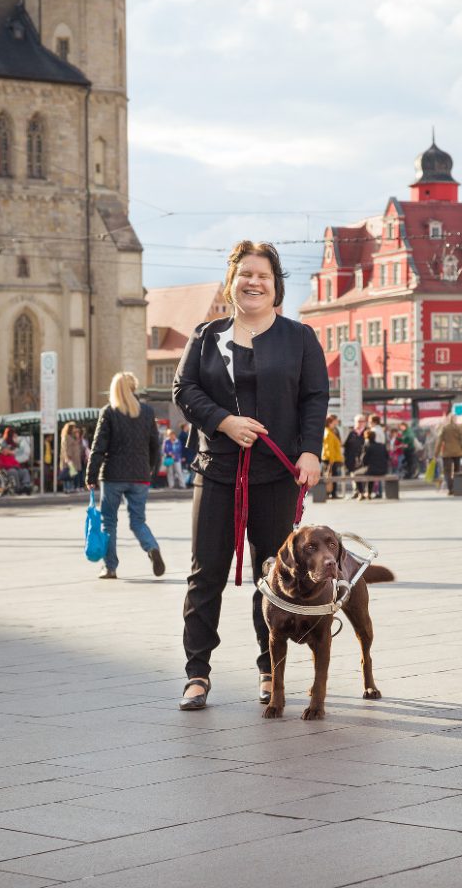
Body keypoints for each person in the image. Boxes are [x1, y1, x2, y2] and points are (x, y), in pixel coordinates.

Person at [173, 239, 328, 711]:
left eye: (262, 275)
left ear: (276, 284)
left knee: (273, 574)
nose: (253, 282)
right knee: (206, 574)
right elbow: (184, 389)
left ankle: (270, 669)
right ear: (231, 282)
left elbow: (315, 398)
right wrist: (224, 421)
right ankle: (197, 673)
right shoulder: (206, 336)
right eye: (245, 274)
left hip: (277, 475)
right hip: (217, 471)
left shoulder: (299, 338)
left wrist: (309, 453)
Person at [85, 371, 164, 580]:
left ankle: (110, 567)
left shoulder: (109, 412)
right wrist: (150, 471)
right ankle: (152, 547)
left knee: (108, 522)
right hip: (140, 475)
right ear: (134, 388)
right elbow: (155, 445)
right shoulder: (146, 412)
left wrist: (91, 476)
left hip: (113, 475)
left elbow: (98, 447)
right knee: (138, 520)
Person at [434, 412, 462, 495]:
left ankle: (451, 489)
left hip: (447, 453)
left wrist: (436, 454)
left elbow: (439, 442)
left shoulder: (444, 428)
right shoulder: (459, 428)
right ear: (455, 419)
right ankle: (457, 488)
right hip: (458, 452)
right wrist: (461, 448)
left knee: (447, 472)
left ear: (448, 419)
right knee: (457, 471)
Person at [356, 428, 388, 498]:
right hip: (383, 470)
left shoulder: (367, 446)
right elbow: (387, 457)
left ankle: (361, 493)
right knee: (371, 472)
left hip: (372, 469)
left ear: (366, 438)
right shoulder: (382, 446)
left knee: (356, 474)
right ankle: (369, 493)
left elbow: (363, 461)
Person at [343, 414, 366, 499]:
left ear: (365, 422)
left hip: (363, 459)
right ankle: (357, 492)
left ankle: (362, 492)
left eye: (361, 421)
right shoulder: (351, 433)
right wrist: (346, 458)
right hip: (352, 459)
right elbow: (346, 446)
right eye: (358, 421)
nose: (359, 423)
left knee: (360, 475)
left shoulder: (367, 432)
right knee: (354, 475)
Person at [321, 414, 343, 499]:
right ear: (331, 422)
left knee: (331, 476)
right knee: (330, 477)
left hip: (330, 458)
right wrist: (332, 460)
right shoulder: (328, 433)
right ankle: (331, 493)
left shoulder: (330, 431)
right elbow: (329, 449)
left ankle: (331, 493)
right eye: (335, 421)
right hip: (330, 459)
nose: (336, 422)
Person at [60, 421, 83, 494]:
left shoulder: (71, 437)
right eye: (73, 428)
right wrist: (68, 457)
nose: (75, 429)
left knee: (71, 473)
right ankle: (67, 488)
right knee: (68, 473)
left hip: (73, 458)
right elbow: (66, 448)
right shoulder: (66, 437)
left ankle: (70, 488)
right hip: (69, 458)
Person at [178, 422, 196, 487]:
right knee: (187, 470)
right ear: (184, 427)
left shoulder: (186, 434)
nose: (188, 427)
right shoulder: (182, 435)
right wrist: (183, 456)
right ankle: (188, 482)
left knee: (190, 469)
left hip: (189, 454)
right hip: (186, 455)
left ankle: (190, 482)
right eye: (187, 426)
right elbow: (182, 447)